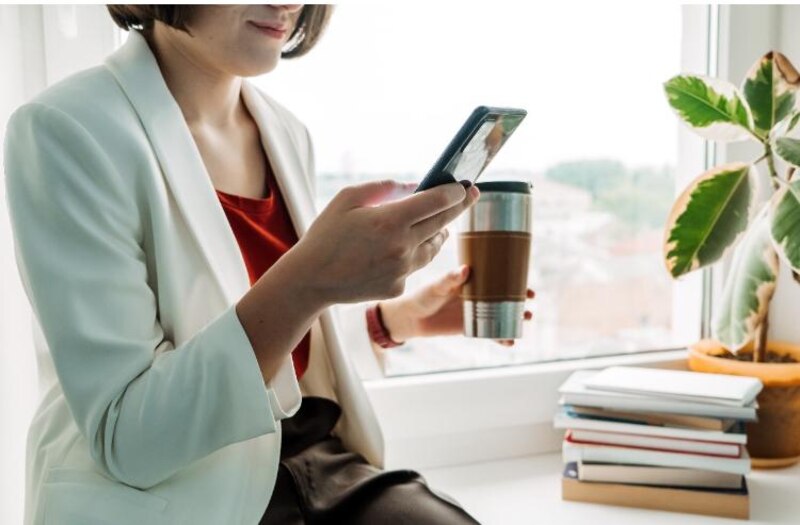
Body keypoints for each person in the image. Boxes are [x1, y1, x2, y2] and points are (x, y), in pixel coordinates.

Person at [3, 5, 533, 524]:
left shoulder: (285, 130)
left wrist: (395, 321)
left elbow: (273, 344)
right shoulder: (67, 129)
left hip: (311, 457)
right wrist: (312, 279)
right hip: (175, 487)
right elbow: (130, 439)